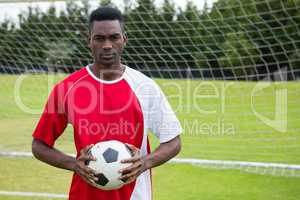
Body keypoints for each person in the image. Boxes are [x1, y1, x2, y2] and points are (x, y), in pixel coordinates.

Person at [32, 6, 182, 200]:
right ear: (89, 41)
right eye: (99, 38)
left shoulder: (145, 86)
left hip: (135, 195)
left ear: (124, 40)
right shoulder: (67, 89)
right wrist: (73, 163)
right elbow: (39, 145)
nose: (107, 45)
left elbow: (173, 141)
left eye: (114, 37)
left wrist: (144, 163)